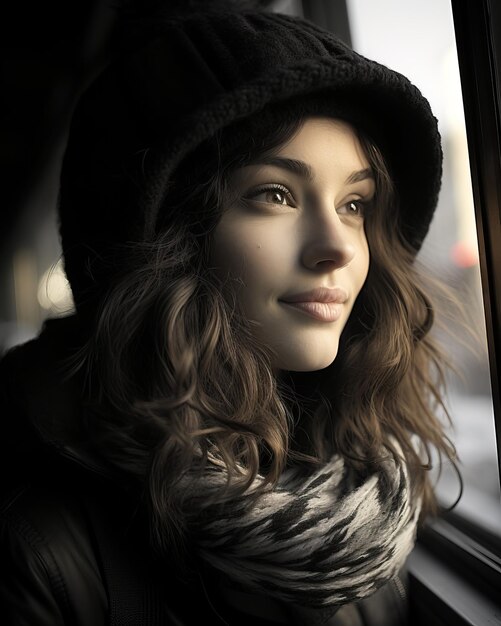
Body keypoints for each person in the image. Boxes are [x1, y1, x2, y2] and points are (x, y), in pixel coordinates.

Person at [0, 1, 459, 624]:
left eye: (355, 203)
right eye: (275, 194)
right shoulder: (37, 544)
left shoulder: (359, 492)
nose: (340, 247)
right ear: (166, 246)